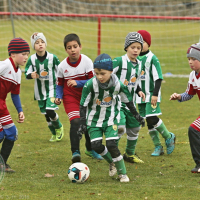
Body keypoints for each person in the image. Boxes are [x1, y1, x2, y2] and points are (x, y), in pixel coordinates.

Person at [77, 53, 145, 182]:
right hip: (93, 120)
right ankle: (112, 162)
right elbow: (83, 105)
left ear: (111, 71)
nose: (99, 76)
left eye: (102, 73)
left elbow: (128, 102)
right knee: (96, 145)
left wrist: (137, 116)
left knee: (111, 145)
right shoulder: (90, 85)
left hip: (111, 119)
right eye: (96, 73)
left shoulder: (118, 85)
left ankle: (123, 174)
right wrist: (82, 124)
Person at [55, 33, 103, 162]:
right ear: (66, 50)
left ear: (80, 47)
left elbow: (93, 81)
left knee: (88, 124)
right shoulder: (62, 66)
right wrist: (58, 96)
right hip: (70, 97)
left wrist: (78, 83)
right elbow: (59, 84)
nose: (72, 50)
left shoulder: (87, 62)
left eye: (75, 46)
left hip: (87, 97)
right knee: (76, 121)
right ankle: (75, 152)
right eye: (69, 47)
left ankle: (90, 148)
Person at [136, 30, 176, 156]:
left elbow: (158, 78)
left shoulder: (152, 58)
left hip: (152, 94)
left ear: (148, 43)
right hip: (140, 96)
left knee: (152, 117)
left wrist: (154, 94)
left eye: (142, 42)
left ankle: (169, 136)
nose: (140, 46)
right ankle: (158, 147)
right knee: (148, 121)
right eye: (137, 43)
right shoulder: (134, 58)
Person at [112, 32, 145, 163]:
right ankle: (112, 153)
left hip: (131, 103)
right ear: (126, 48)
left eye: (138, 47)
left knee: (135, 127)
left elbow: (135, 82)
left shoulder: (140, 64)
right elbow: (105, 74)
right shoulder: (119, 61)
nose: (136, 50)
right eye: (133, 47)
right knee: (120, 127)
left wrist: (139, 91)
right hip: (117, 102)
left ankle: (129, 154)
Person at [25, 32, 64, 142]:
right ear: (34, 46)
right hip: (40, 91)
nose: (40, 44)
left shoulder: (53, 58)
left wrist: (62, 87)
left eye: (42, 42)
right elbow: (27, 73)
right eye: (37, 43)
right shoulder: (32, 59)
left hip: (52, 88)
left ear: (45, 44)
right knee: (47, 115)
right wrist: (30, 75)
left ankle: (59, 127)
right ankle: (53, 133)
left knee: (50, 110)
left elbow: (60, 71)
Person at [0, 38, 30, 172]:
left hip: (1, 105)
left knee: (12, 133)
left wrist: (20, 110)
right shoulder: (5, 65)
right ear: (12, 54)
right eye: (23, 54)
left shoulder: (18, 72)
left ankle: (2, 163)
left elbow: (15, 94)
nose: (26, 57)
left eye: (27, 54)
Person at [170, 43, 200, 173]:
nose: (190, 62)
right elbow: (189, 93)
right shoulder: (193, 75)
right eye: (189, 59)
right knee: (193, 129)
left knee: (193, 129)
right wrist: (179, 96)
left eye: (194, 59)